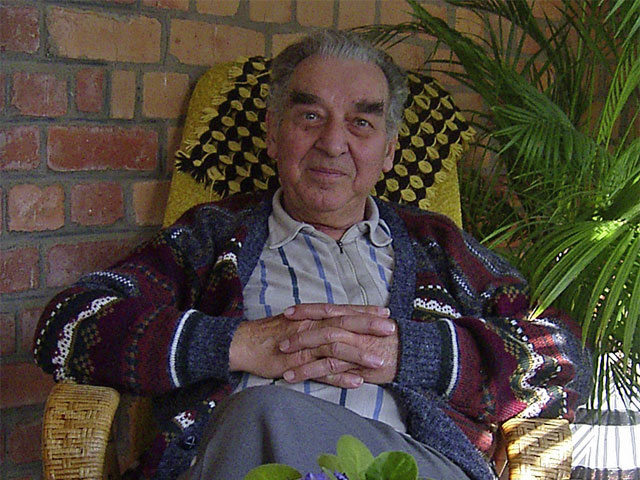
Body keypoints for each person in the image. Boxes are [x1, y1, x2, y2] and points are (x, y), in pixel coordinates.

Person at [34, 30, 591, 480]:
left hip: (409, 465)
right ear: (274, 133)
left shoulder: (438, 247)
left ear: (389, 151)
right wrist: (236, 344)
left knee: (263, 412)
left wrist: (415, 355)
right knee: (260, 415)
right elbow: (67, 327)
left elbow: (566, 355)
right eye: (309, 117)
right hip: (244, 457)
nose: (332, 143)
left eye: (362, 122)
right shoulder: (212, 239)